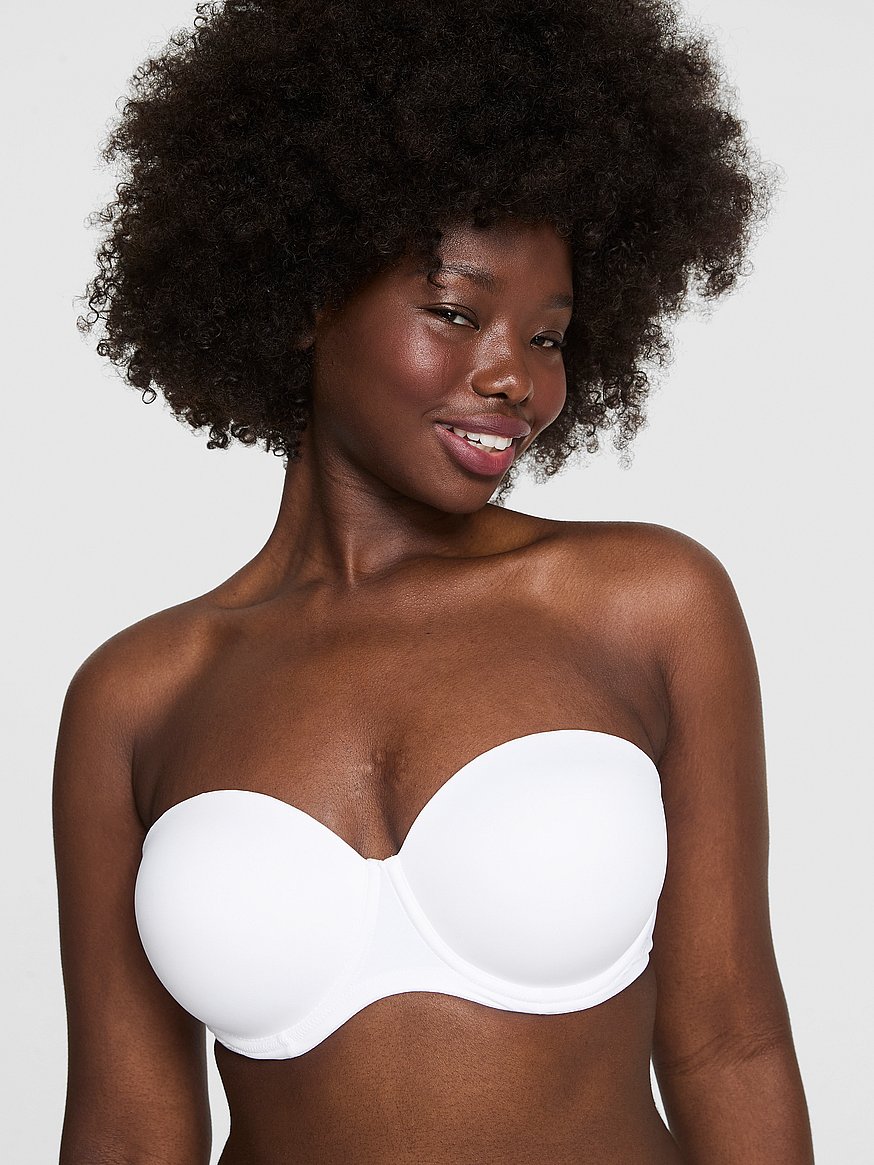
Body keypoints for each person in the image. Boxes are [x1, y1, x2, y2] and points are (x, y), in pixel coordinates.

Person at [53, 0, 814, 1161]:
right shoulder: (139, 695)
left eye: (546, 336)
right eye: (456, 313)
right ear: (307, 299)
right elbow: (125, 1126)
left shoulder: (646, 603)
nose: (514, 379)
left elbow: (729, 1045)